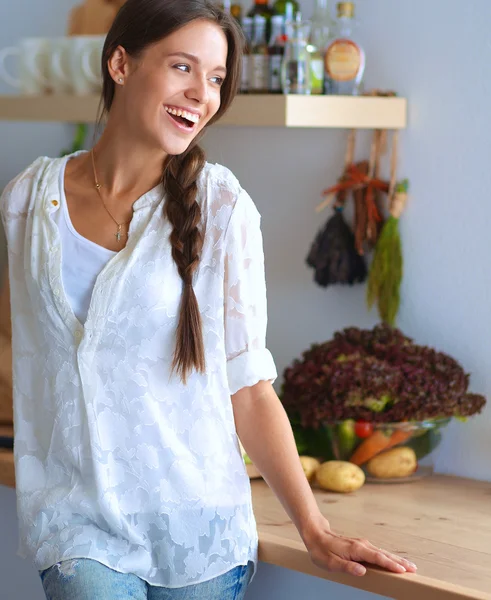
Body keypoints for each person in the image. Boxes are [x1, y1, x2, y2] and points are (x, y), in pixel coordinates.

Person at [0, 0, 417, 598]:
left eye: (217, 78)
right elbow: (16, 341)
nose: (201, 93)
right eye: (182, 67)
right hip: (77, 523)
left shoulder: (222, 209)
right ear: (120, 63)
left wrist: (315, 527)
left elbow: (247, 386)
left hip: (200, 529)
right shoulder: (26, 202)